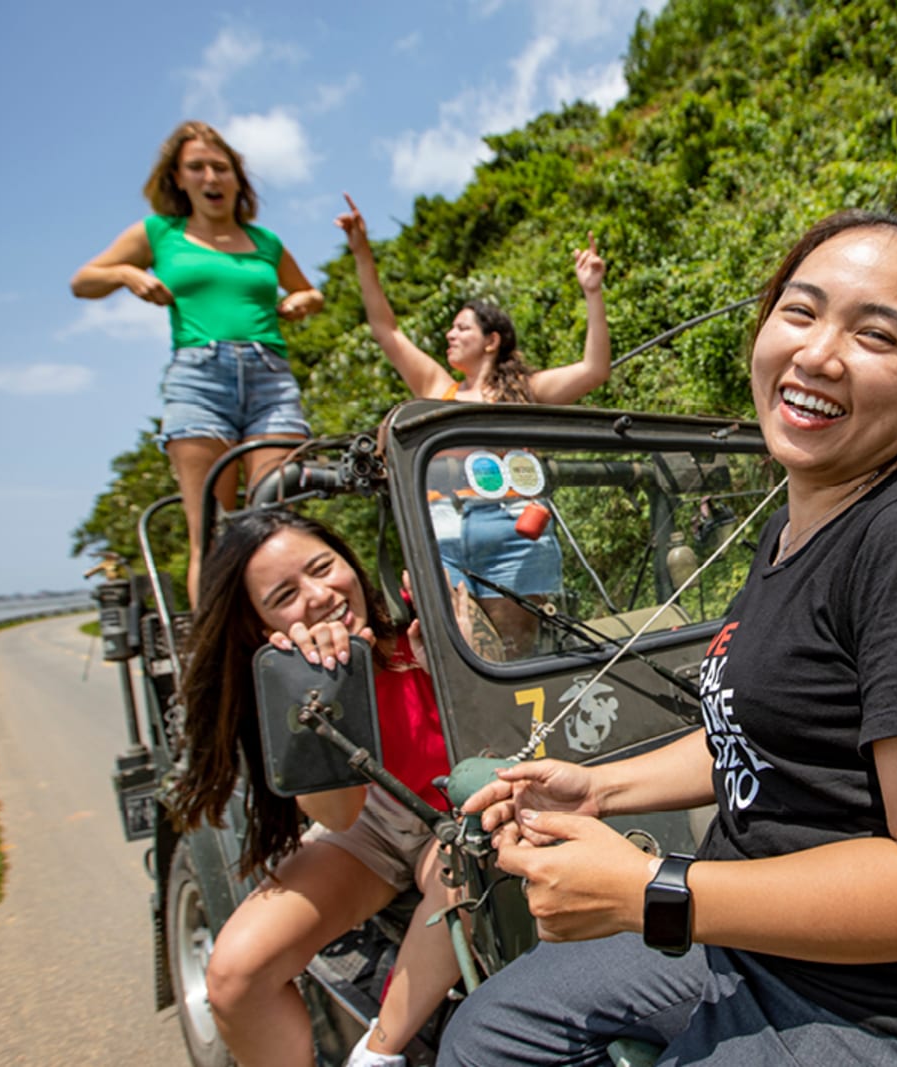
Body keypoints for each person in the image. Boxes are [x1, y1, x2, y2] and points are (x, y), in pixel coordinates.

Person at [437, 210, 897, 1066]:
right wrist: (596, 788)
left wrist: (653, 891)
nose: (819, 355)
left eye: (878, 335)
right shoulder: (792, 526)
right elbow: (759, 734)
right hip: (754, 950)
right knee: (487, 1035)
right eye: (801, 311)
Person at [173, 509, 461, 1067]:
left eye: (323, 567)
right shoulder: (291, 681)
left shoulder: (418, 617)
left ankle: (378, 1053)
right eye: (285, 594)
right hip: (371, 826)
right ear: (263, 627)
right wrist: (324, 684)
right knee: (236, 976)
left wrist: (448, 647)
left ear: (349, 561)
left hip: (449, 821)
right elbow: (341, 814)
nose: (319, 594)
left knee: (464, 874)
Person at [335, 194, 610, 658]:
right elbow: (387, 330)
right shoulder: (437, 387)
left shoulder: (525, 391)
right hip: (441, 531)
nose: (450, 335)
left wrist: (592, 293)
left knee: (514, 655)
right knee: (458, 655)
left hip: (512, 533)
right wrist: (362, 252)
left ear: (492, 340)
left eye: (463, 328)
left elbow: (594, 369)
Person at [72, 121, 323, 605]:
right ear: (179, 179)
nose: (211, 176)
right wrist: (127, 274)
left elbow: (309, 289)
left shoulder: (263, 241)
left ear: (236, 178)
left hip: (270, 379)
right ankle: (212, 662)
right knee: (209, 533)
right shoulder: (160, 234)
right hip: (199, 380)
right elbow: (83, 280)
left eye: (221, 167)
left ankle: (284, 652)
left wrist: (302, 302)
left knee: (276, 518)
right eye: (197, 167)